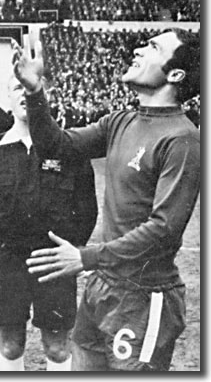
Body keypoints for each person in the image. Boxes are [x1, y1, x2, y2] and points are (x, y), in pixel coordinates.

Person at [19, 28, 200, 371]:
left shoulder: (183, 140)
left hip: (144, 297)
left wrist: (86, 257)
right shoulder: (120, 121)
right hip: (102, 288)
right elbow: (57, 146)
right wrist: (35, 91)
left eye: (152, 47)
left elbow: (164, 230)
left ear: (175, 75)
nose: (138, 49)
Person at [0, 73, 97, 371]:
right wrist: (1, 244)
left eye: (30, 90)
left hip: (54, 262)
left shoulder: (68, 148)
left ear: (44, 97)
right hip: (7, 260)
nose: (24, 95)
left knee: (56, 348)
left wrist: (71, 251)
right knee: (10, 344)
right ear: (8, 99)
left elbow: (86, 209)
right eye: (17, 88)